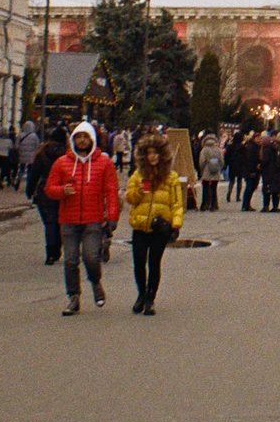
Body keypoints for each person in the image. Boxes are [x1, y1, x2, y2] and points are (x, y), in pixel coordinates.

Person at [44, 122, 119, 315]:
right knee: (70, 260)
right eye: (79, 137)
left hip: (92, 219)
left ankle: (95, 282)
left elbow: (111, 191)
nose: (82, 140)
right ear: (73, 140)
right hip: (68, 219)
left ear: (92, 140)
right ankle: (74, 297)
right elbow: (49, 189)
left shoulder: (104, 162)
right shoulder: (62, 163)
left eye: (86, 137)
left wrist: (111, 216)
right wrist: (62, 191)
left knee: (91, 257)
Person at [125, 135, 185, 315]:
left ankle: (150, 298)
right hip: (140, 225)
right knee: (138, 263)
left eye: (156, 153)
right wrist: (141, 189)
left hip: (160, 227)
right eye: (149, 153)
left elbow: (176, 203)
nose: (152, 157)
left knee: (154, 263)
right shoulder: (138, 175)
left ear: (162, 155)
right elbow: (130, 198)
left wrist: (176, 225)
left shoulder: (171, 177)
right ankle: (141, 294)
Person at [27, 125, 69, 264]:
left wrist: (30, 190)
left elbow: (34, 173)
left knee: (49, 222)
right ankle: (57, 248)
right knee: (59, 221)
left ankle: (50, 252)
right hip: (63, 191)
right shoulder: (68, 154)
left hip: (45, 191)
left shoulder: (43, 152)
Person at [197, 133, 223, 212]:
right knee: (214, 188)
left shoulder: (204, 150)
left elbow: (202, 162)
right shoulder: (218, 149)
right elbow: (221, 161)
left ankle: (204, 205)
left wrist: (202, 170)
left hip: (206, 171)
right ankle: (214, 205)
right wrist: (219, 168)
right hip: (215, 171)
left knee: (205, 188)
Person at [259, 133, 280, 213]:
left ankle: (266, 206)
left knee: (267, 189)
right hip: (276, 171)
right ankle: (275, 206)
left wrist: (261, 165)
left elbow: (265, 160)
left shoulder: (266, 149)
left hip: (268, 171)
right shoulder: (276, 148)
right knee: (275, 189)